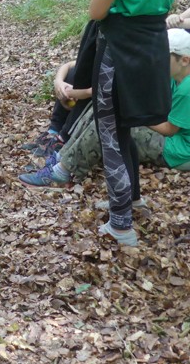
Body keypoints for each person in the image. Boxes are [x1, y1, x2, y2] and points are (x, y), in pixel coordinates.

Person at [86, 0, 190, 246]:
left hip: (120, 48)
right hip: (153, 43)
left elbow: (98, 11)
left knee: (111, 130)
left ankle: (121, 222)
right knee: (128, 124)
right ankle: (133, 198)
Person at [19, 29, 190, 221]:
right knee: (105, 108)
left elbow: (169, 129)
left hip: (176, 148)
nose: (156, 61)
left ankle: (61, 172)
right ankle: (62, 157)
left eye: (163, 57)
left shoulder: (187, 89)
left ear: (184, 60)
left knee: (109, 123)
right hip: (167, 134)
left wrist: (136, 114)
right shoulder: (176, 75)